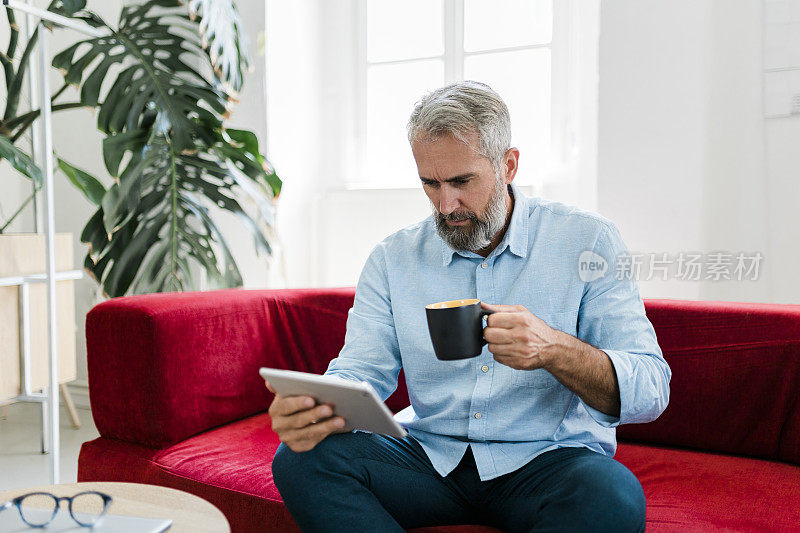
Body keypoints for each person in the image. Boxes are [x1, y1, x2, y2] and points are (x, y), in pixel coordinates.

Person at [269, 81, 671, 533]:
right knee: (302, 458)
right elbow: (361, 370)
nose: (446, 204)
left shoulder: (588, 241)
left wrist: (554, 348)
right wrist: (317, 405)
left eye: (462, 182)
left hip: (546, 463)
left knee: (612, 497)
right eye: (430, 183)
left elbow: (652, 389)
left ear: (508, 165)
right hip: (430, 460)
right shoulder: (393, 257)